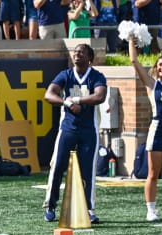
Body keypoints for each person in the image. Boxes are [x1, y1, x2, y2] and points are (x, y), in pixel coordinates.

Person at [43, 43, 107, 224]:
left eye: (82, 52)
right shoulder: (66, 74)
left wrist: (77, 99)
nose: (77, 54)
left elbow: (99, 96)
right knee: (57, 165)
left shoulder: (96, 76)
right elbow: (49, 94)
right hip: (68, 128)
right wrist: (67, 103)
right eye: (75, 52)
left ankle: (88, 209)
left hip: (89, 129)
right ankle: (50, 205)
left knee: (88, 170)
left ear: (90, 58)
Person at [129, 36, 162, 221]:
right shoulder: (152, 84)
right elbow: (134, 61)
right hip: (158, 130)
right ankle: (150, 210)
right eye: (160, 65)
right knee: (154, 172)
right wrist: (130, 39)